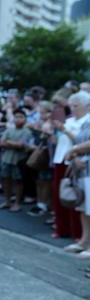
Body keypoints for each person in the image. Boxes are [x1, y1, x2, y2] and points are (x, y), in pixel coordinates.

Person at [51, 91, 90, 240]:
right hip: (61, 158)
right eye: (72, 104)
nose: (73, 107)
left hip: (77, 162)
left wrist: (65, 131)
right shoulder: (69, 120)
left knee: (78, 199)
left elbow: (80, 142)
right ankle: (62, 229)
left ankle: (79, 235)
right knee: (62, 196)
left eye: (76, 104)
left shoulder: (86, 121)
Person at [0, 109, 32, 212]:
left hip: (19, 160)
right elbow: (1, 143)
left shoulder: (26, 132)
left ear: (25, 119)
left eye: (21, 117)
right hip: (6, 159)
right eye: (16, 117)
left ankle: (17, 203)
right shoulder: (9, 130)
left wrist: (9, 142)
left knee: (18, 182)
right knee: (6, 180)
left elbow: (20, 145)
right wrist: (13, 143)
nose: (18, 119)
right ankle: (7, 201)